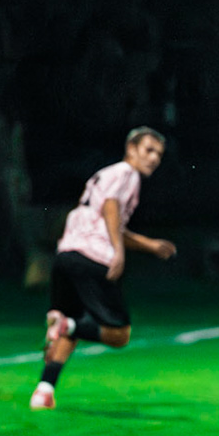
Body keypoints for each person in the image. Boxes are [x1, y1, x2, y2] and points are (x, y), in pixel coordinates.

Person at [30, 127, 177, 410]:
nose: (154, 158)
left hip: (66, 257)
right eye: (148, 150)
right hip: (93, 258)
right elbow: (111, 207)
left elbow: (105, 217)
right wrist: (118, 252)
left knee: (70, 329)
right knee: (119, 334)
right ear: (131, 149)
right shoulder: (126, 174)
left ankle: (43, 391)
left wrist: (148, 244)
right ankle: (67, 324)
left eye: (159, 154)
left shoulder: (105, 174)